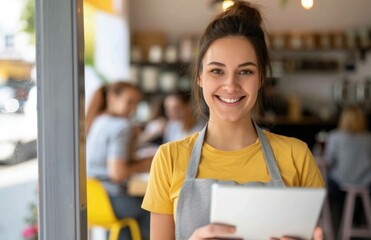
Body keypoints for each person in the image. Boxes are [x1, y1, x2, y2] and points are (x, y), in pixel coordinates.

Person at [141, 2, 325, 240]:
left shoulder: (297, 156)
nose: (231, 85)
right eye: (217, 71)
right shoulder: (169, 158)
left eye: (245, 71)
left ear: (261, 78)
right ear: (199, 76)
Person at [86, 81, 151, 240]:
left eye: (136, 103)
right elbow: (117, 173)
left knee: (125, 224)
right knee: (156, 208)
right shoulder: (122, 126)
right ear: (112, 97)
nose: (134, 108)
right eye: (130, 102)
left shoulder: (98, 121)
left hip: (94, 201)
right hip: (113, 199)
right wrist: (151, 162)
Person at [324, 104, 371, 233]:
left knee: (328, 181)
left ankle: (334, 225)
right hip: (365, 183)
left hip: (341, 182)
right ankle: (358, 220)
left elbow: (328, 161)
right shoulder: (368, 138)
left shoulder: (335, 136)